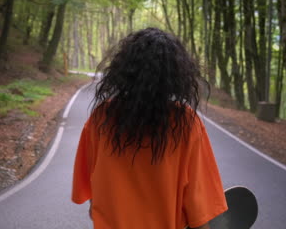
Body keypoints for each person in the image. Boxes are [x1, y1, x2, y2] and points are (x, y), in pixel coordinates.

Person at [71, 28, 227, 229]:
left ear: (124, 69)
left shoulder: (101, 118)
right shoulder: (187, 124)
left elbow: (93, 201)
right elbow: (200, 211)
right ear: (176, 74)